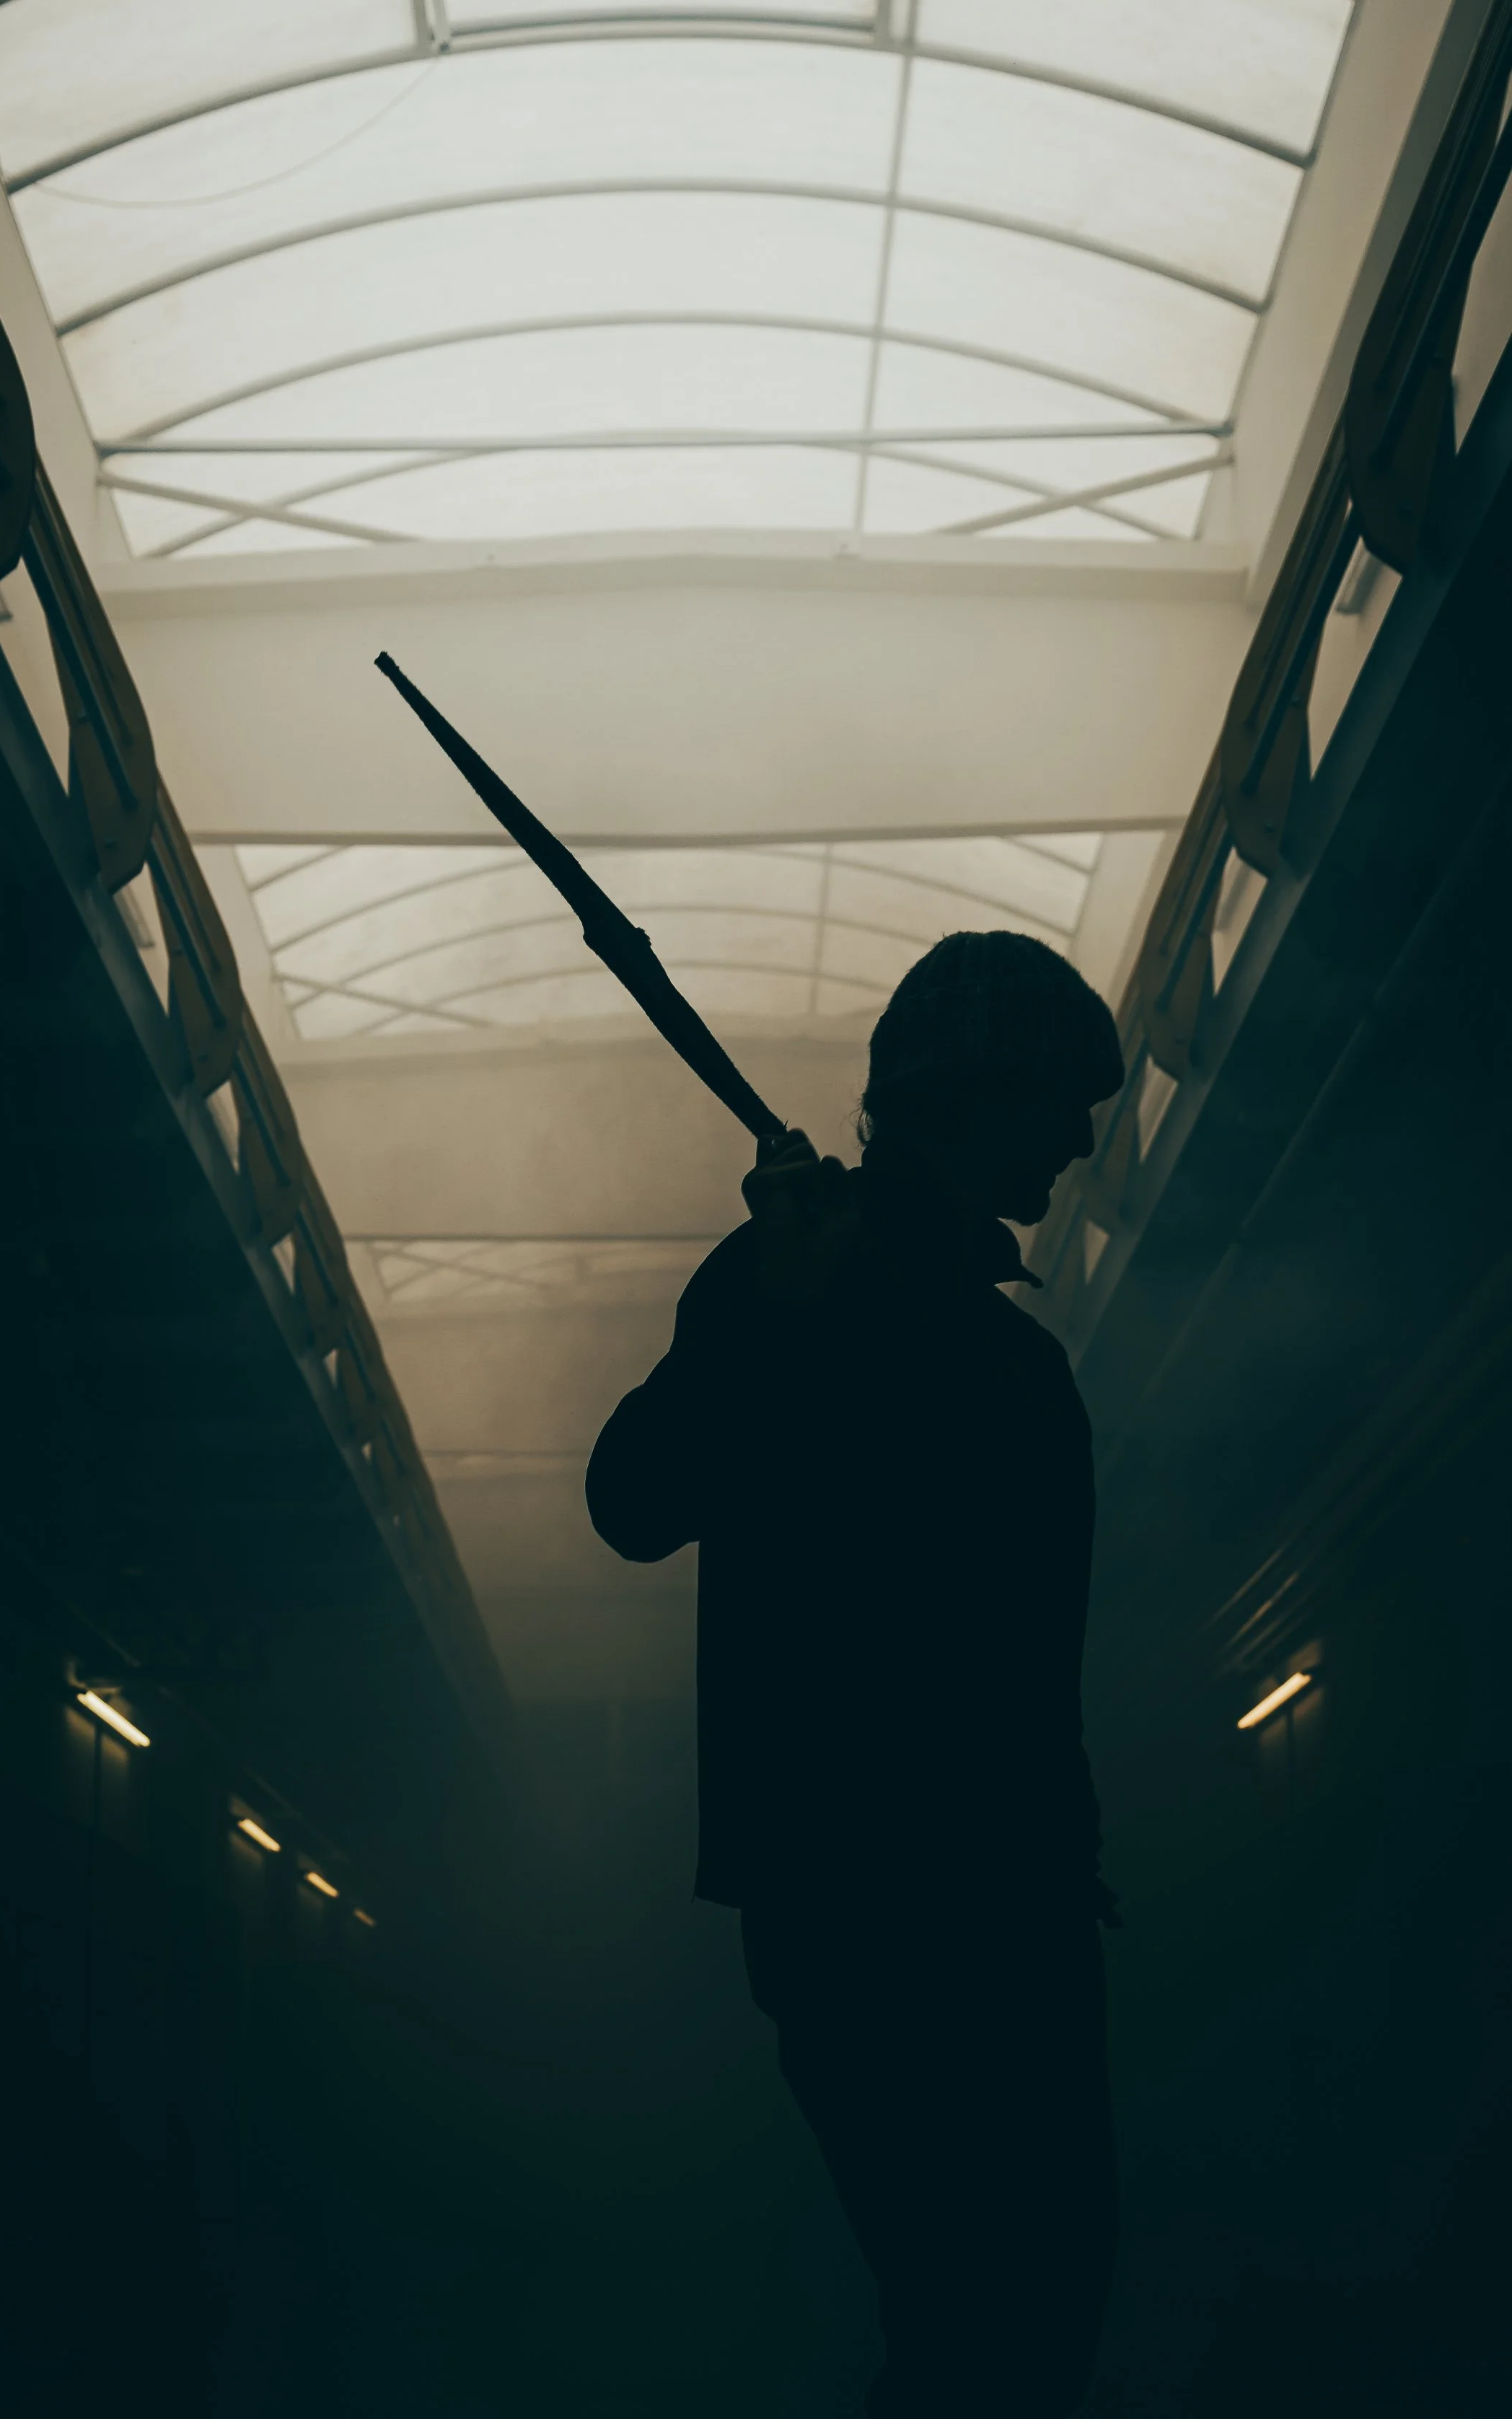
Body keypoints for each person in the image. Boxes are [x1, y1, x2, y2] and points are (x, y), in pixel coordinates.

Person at [585, 930, 1125, 2417]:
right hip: (869, 1902)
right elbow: (631, 1502)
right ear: (972, 1094)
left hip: (1002, 1898)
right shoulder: (802, 1279)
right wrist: (770, 1308)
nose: (1082, 1140)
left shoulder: (1020, 1368)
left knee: (1025, 2298)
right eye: (1057, 1101)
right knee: (985, 2308)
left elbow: (1027, 1667)